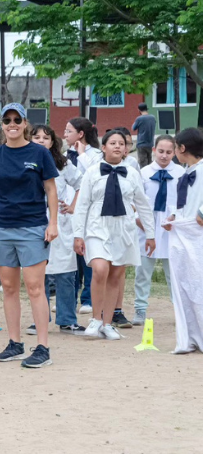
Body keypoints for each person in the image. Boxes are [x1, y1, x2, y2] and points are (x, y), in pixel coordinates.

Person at [0, 103, 59, 368]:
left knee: (35, 288)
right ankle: (15, 343)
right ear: (1, 124)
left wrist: (53, 223)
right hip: (0, 228)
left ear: (25, 124)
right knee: (9, 288)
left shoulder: (39, 153)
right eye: (7, 120)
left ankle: (43, 347)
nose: (12, 124)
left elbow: (51, 190)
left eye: (17, 119)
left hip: (32, 228)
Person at [73, 129, 155, 340]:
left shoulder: (133, 173)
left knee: (116, 275)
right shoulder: (92, 172)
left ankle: (107, 323)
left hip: (123, 229)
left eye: (122, 143)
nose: (118, 146)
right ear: (103, 147)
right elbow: (82, 205)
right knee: (100, 269)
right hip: (97, 226)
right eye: (113, 143)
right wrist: (77, 235)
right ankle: (95, 319)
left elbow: (143, 206)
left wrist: (151, 234)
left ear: (126, 149)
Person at [30, 124, 86, 335]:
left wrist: (73, 207)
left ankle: (67, 319)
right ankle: (40, 318)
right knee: (38, 273)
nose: (41, 140)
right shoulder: (24, 162)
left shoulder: (63, 165)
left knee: (65, 273)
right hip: (34, 222)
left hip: (60, 223)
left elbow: (82, 183)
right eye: (36, 137)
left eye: (46, 137)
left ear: (52, 142)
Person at [133, 135, 182, 325]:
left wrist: (176, 217)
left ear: (175, 152)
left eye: (169, 152)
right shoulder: (143, 173)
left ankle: (179, 309)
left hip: (171, 228)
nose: (164, 156)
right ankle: (140, 308)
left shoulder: (180, 173)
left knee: (174, 273)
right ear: (154, 150)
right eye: (161, 151)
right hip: (147, 226)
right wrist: (141, 223)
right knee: (143, 271)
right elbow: (135, 200)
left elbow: (184, 201)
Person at [166, 127, 203, 353]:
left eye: (175, 147)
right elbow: (185, 203)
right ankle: (192, 335)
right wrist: (175, 216)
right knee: (186, 285)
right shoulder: (187, 172)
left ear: (181, 148)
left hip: (197, 233)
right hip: (184, 232)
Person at [63, 117, 99, 314]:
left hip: (88, 212)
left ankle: (88, 299)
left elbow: (92, 176)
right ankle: (70, 298)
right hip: (68, 211)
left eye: (68, 131)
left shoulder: (95, 155)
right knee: (72, 258)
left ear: (80, 134)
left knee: (88, 255)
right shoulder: (64, 155)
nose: (65, 135)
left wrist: (82, 154)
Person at [132, 103, 157, 167]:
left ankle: (143, 176)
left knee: (142, 163)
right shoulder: (153, 118)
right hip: (150, 143)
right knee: (149, 161)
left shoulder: (139, 119)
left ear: (139, 110)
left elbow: (133, 128)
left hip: (141, 143)